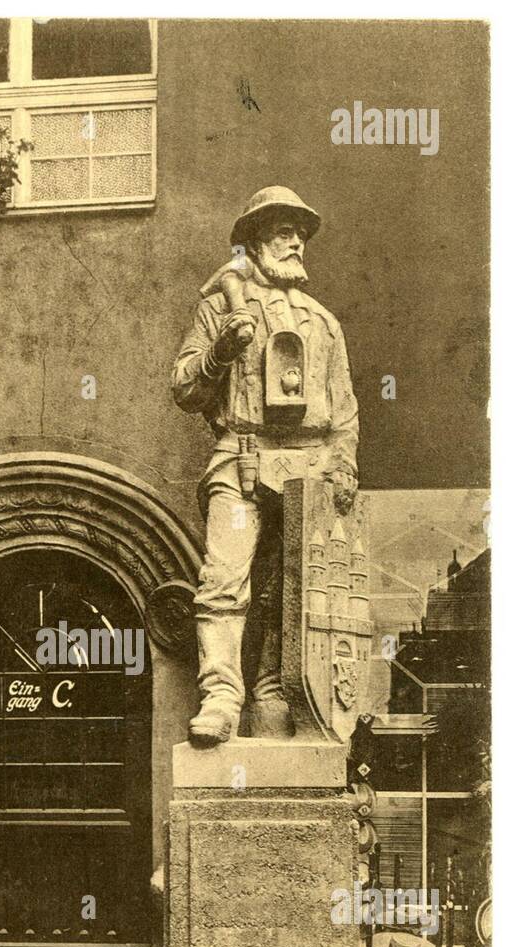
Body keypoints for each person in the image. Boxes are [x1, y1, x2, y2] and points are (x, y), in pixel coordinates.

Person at [172, 186, 359, 744]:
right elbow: (184, 390)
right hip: (243, 461)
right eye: (284, 231)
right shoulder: (219, 307)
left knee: (292, 596)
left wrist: (343, 465)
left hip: (311, 471)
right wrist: (220, 351)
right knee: (224, 581)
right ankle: (222, 698)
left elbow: (345, 411)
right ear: (255, 239)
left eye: (300, 233)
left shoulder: (324, 323)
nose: (296, 241)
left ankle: (275, 698)